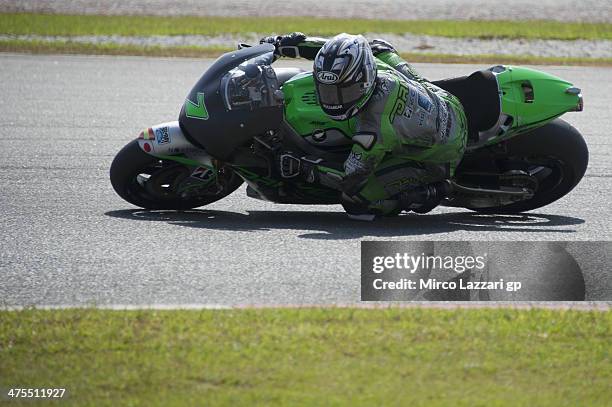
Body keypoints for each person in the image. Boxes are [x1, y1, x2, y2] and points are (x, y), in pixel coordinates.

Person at [260, 32, 468, 220]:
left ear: (365, 82)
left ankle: (433, 191)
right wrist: (280, 45)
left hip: (443, 151)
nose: (335, 100)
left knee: (356, 200)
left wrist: (304, 167)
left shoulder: (374, 126)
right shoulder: (370, 65)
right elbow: (336, 51)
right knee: (378, 47)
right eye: (328, 91)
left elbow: (351, 176)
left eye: (345, 92)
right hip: (446, 100)